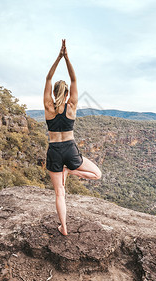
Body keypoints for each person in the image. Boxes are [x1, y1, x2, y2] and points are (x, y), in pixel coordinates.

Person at [44, 39, 102, 236]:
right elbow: (75, 80)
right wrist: (67, 58)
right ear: (68, 93)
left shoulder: (48, 106)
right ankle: (71, 170)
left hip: (54, 151)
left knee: (60, 193)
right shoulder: (72, 106)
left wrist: (58, 58)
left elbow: (48, 78)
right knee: (97, 174)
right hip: (70, 149)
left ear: (53, 92)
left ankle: (64, 227)